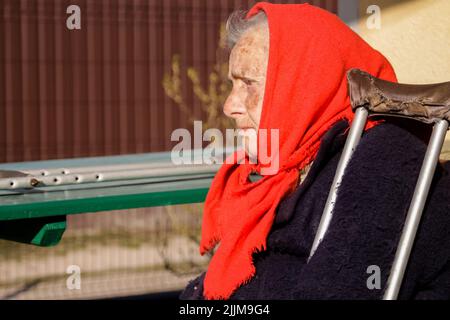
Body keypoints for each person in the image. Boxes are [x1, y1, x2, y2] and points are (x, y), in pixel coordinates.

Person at [180, 2, 450, 300]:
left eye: (248, 84)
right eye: (233, 84)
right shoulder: (290, 169)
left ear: (303, 84)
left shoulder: (385, 162)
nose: (228, 106)